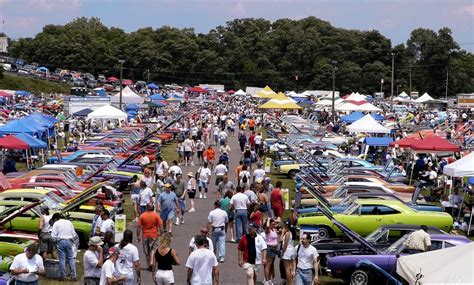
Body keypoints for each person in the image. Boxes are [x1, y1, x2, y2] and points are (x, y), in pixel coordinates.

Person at [51, 213, 78, 281]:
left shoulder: (56, 223)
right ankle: (73, 276)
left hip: (61, 242)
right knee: (71, 259)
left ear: (55, 219)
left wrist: (57, 240)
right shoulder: (69, 222)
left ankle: (63, 276)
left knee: (62, 259)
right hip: (69, 241)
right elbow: (74, 235)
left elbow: (53, 237)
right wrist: (71, 240)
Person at [137, 203, 163, 271]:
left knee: (146, 251)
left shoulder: (142, 216)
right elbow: (160, 225)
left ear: (146, 208)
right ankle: (152, 261)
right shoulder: (156, 215)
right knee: (153, 249)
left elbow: (139, 227)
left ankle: (149, 265)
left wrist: (138, 236)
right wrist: (161, 233)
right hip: (154, 235)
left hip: (145, 235)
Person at [262, 219, 279, 284]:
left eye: (274, 224)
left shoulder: (273, 230)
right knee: (268, 265)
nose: (274, 225)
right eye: (273, 224)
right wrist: (268, 219)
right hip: (269, 248)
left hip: (274, 249)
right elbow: (267, 226)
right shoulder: (267, 230)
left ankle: (270, 279)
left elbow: (278, 222)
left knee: (271, 265)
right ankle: (266, 281)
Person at [281, 220, 295, 285]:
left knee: (287, 269)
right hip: (291, 250)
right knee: (289, 268)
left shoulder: (287, 233)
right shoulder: (290, 232)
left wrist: (282, 253)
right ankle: (290, 282)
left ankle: (289, 282)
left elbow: (285, 244)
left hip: (287, 251)